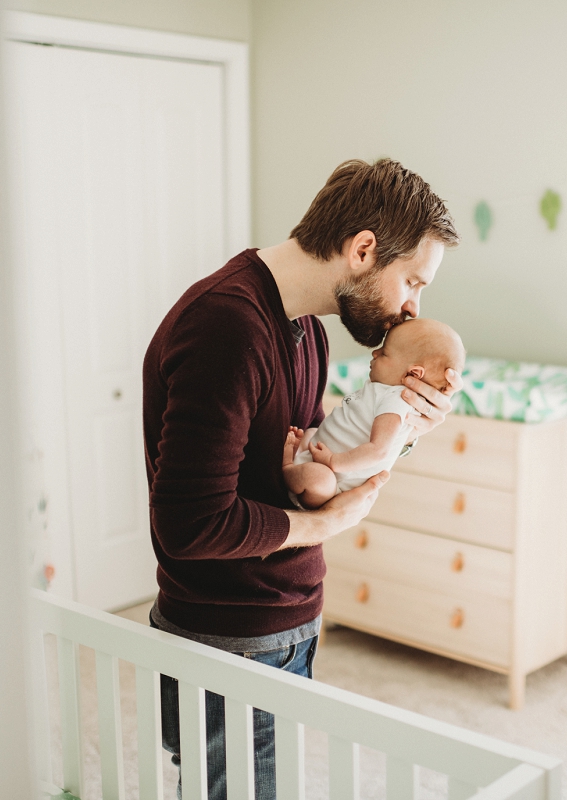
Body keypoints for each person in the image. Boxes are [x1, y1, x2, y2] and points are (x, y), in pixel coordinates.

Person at [141, 158, 461, 799]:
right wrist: (326, 523)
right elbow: (190, 524)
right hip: (230, 639)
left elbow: (300, 469)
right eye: (412, 282)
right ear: (364, 250)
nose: (412, 308)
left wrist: (401, 434)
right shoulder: (227, 326)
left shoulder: (303, 329)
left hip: (279, 619)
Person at [283, 318, 465, 509]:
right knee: (311, 432)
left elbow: (379, 450)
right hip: (322, 459)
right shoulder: (384, 391)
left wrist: (333, 461)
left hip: (332, 483)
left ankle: (287, 467)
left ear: (413, 374)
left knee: (318, 478)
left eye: (384, 353)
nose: (375, 353)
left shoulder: (396, 400)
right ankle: (299, 460)